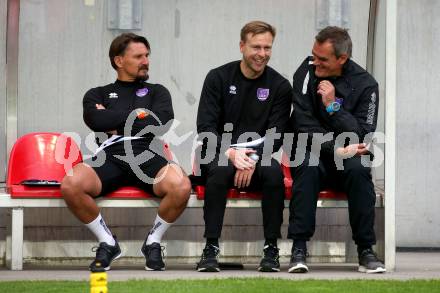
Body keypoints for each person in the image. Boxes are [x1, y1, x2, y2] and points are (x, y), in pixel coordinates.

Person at [61, 33, 191, 272]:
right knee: (71, 184)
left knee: (181, 185)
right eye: (139, 56)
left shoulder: (158, 92)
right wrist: (138, 116)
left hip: (147, 153)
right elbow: (95, 120)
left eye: (147, 56)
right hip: (110, 155)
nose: (146, 61)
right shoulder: (96, 94)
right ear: (119, 61)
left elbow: (161, 123)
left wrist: (112, 120)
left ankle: (153, 242)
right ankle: (107, 242)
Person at [195, 21, 292, 272]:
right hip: (221, 152)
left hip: (258, 158)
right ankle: (211, 247)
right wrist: (230, 153)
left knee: (273, 173)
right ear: (242, 46)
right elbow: (206, 127)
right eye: (256, 47)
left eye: (267, 47)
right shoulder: (218, 77)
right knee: (218, 171)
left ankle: (271, 249)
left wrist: (253, 158)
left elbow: (277, 134)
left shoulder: (280, 86)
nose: (262, 54)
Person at [287, 26, 385, 273]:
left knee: (359, 168)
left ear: (342, 59)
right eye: (313, 55)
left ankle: (365, 250)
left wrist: (333, 107)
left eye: (322, 59)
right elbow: (302, 122)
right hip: (314, 149)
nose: (315, 62)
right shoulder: (307, 70)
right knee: (306, 165)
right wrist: (335, 148)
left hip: (350, 154)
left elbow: (362, 135)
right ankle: (298, 248)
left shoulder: (366, 84)